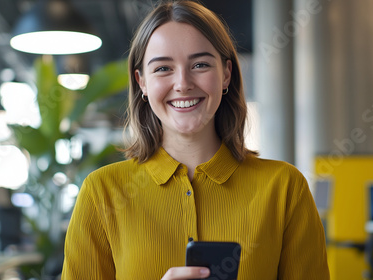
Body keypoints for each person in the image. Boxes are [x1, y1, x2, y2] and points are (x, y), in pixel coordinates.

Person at [61, 0, 330, 279]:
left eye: (200, 64)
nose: (183, 83)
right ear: (142, 82)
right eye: (163, 68)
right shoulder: (101, 193)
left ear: (225, 74)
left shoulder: (285, 188)